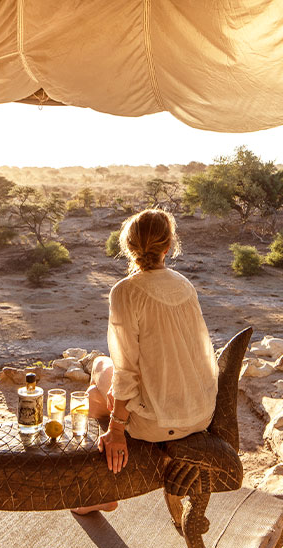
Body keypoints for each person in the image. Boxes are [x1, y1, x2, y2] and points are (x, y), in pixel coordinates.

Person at [73, 209, 218, 514]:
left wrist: (115, 428)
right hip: (198, 413)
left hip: (156, 423)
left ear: (127, 247)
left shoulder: (125, 292)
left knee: (99, 370)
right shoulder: (184, 285)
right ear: (168, 247)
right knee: (98, 393)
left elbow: (125, 370)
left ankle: (100, 489)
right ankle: (111, 481)